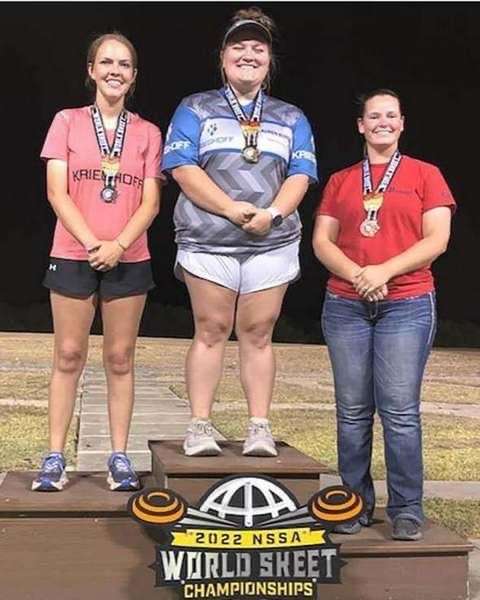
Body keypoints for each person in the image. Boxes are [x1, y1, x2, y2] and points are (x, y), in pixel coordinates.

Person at [162, 7, 317, 457]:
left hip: (271, 240)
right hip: (208, 238)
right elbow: (181, 167)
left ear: (269, 60)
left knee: (259, 331)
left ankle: (259, 427)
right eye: (239, 46)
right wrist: (230, 209)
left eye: (258, 48)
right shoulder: (195, 107)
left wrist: (272, 213)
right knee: (211, 328)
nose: (248, 54)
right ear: (223, 56)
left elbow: (301, 175)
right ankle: (199, 426)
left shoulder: (291, 117)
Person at [313, 89, 455, 540]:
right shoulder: (341, 180)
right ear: (361, 125)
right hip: (346, 305)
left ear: (402, 123)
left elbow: (437, 240)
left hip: (407, 303)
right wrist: (358, 275)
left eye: (390, 116)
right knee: (352, 413)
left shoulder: (425, 175)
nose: (382, 122)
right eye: (373, 116)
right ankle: (353, 505)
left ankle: (407, 508)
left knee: (399, 412)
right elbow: (322, 241)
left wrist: (383, 271)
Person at [32, 32, 163, 492]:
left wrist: (119, 245)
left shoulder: (147, 132)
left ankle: (119, 456)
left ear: (133, 76)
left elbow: (150, 203)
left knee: (120, 358)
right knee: (68, 355)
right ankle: (53, 457)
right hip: (73, 252)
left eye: (124, 64)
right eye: (106, 62)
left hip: (130, 255)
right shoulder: (66, 121)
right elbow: (56, 191)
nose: (115, 70)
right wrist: (94, 244)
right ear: (91, 70)